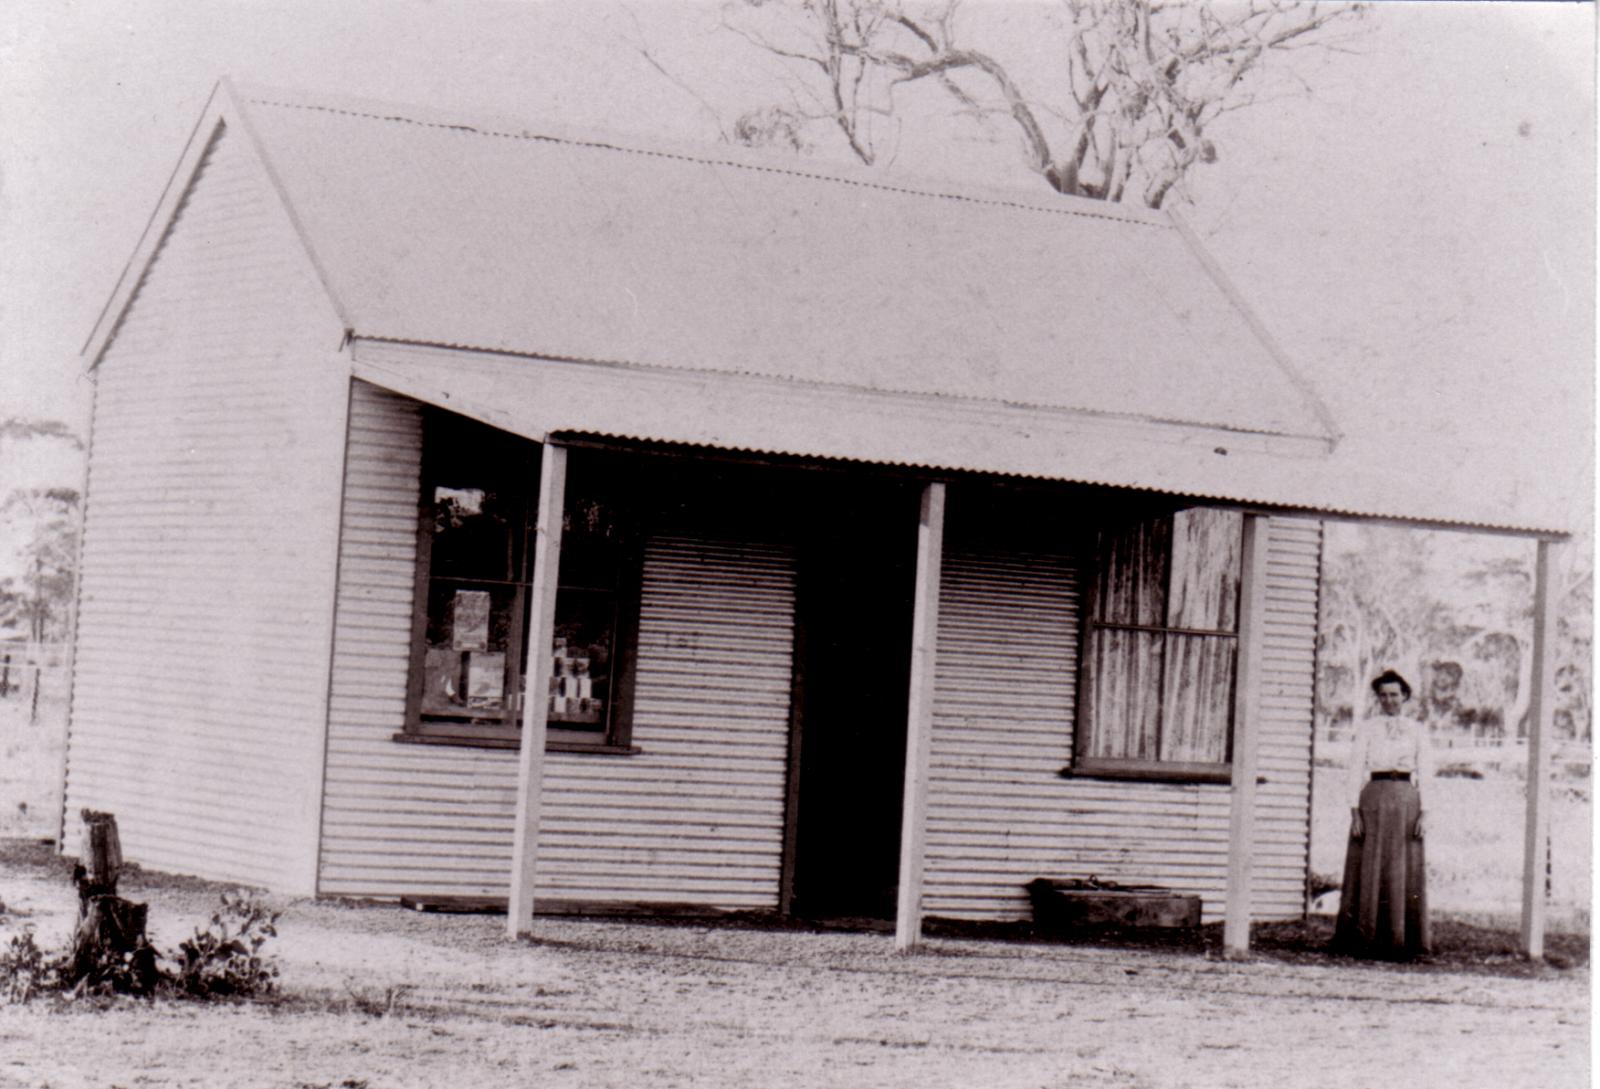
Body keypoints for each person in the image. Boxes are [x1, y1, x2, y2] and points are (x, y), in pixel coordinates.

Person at [1332, 669, 1432, 958]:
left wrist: (1425, 812)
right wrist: (1355, 812)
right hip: (1373, 798)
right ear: (1378, 698)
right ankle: (1363, 936)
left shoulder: (1417, 730)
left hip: (1406, 799)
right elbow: (1354, 770)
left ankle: (1404, 940)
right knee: (1369, 863)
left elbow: (1426, 771)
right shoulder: (1367, 728)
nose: (1389, 700)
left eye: (1394, 695)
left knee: (1403, 864)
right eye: (1384, 695)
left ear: (1405, 697)